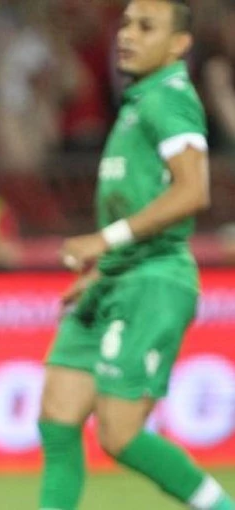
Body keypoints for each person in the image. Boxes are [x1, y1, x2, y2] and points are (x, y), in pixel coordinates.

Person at [39, 1, 234, 509]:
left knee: (119, 434)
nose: (126, 35)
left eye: (146, 27)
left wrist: (106, 241)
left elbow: (193, 190)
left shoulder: (170, 99)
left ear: (179, 45)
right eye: (125, 24)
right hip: (116, 275)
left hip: (153, 280)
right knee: (58, 414)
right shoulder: (139, 100)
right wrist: (103, 268)